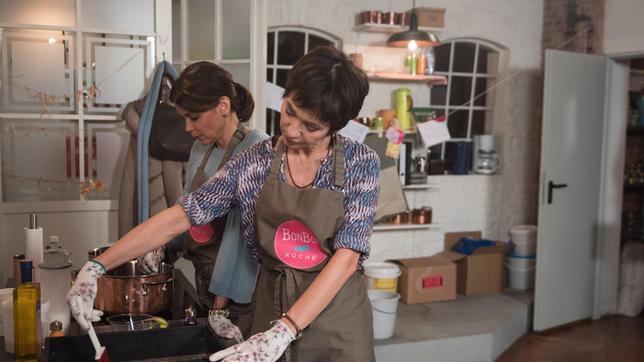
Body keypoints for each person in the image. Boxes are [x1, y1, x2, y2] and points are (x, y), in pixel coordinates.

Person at [67, 46, 379, 362]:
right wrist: (99, 265)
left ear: (336, 126)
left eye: (311, 127)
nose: (292, 129)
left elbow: (347, 258)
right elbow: (183, 215)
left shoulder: (360, 163)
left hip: (337, 318)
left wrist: (286, 329)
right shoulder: (256, 162)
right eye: (289, 111)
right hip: (271, 306)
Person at [140, 61, 268, 341]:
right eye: (184, 118)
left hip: (238, 291)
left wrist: (220, 307)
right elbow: (187, 208)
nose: (187, 127)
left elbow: (241, 237)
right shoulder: (201, 148)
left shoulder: (257, 148)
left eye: (194, 117)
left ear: (223, 105)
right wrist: (163, 245)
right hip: (206, 278)